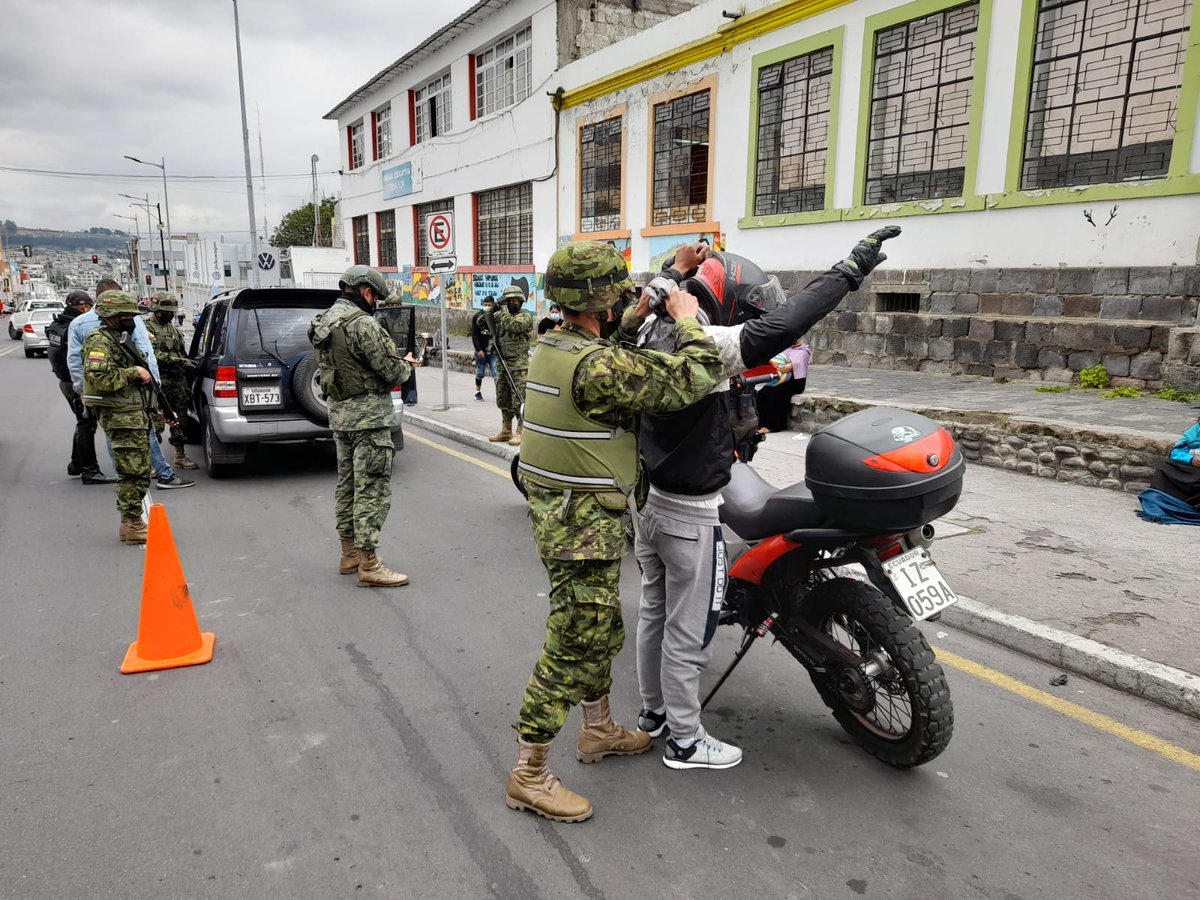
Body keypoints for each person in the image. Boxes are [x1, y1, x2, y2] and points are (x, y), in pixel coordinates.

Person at [626, 228, 900, 771]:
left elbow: (648, 299)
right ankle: (684, 741)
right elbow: (788, 322)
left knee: (655, 613)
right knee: (689, 629)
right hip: (690, 511)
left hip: (648, 500)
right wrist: (849, 271)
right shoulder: (705, 346)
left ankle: (654, 714)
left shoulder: (642, 333)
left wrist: (678, 272)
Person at [506, 241, 723, 824]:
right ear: (601, 303)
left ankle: (598, 729)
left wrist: (670, 277)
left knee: (603, 630)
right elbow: (696, 375)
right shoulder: (598, 367)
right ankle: (529, 772)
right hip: (581, 525)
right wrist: (684, 321)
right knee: (573, 643)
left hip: (566, 517)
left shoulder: (552, 342)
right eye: (617, 296)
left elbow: (616, 339)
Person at [309, 265, 415, 587]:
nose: (377, 303)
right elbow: (392, 372)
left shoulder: (324, 321)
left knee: (348, 485)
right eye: (376, 297)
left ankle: (349, 553)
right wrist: (407, 365)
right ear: (366, 293)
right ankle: (369, 564)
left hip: (340, 416)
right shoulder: (364, 324)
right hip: (369, 419)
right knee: (371, 488)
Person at [68, 279, 194, 490]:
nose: (130, 318)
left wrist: (84, 392)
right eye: (125, 313)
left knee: (128, 434)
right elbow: (147, 358)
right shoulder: (99, 336)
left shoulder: (81, 324)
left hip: (117, 394)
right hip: (124, 392)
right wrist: (150, 383)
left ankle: (140, 474)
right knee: (137, 433)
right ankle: (148, 476)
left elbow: (75, 364)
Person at [80, 291, 159, 544]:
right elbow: (99, 380)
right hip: (121, 415)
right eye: (127, 315)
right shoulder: (99, 342)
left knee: (136, 468)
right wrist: (134, 373)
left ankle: (129, 523)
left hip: (132, 413)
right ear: (111, 316)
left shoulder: (118, 338)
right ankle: (134, 522)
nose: (131, 319)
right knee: (133, 470)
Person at [45, 290, 116, 485]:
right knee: (87, 424)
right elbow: (77, 359)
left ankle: (76, 464)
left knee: (83, 422)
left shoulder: (57, 324)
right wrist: (83, 388)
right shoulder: (75, 325)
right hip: (75, 382)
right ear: (83, 306)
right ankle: (90, 471)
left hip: (64, 380)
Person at [143, 292, 199, 471]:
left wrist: (186, 363)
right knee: (156, 423)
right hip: (158, 382)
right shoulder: (146, 329)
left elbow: (182, 353)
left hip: (177, 382)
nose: (169, 314)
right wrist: (177, 360)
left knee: (180, 420)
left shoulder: (173, 330)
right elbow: (149, 355)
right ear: (157, 310)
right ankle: (154, 462)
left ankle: (180, 457)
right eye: (165, 311)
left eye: (171, 312)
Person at [489, 285, 534, 446]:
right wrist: (494, 307)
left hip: (518, 366)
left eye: (515, 300)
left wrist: (502, 311)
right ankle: (506, 430)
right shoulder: (501, 314)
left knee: (519, 400)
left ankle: (521, 431)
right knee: (503, 398)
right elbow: (481, 321)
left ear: (521, 302)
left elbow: (514, 326)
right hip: (502, 363)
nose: (512, 303)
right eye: (509, 300)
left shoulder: (525, 316)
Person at [1137, 417, 1200, 524]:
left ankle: (1193, 506)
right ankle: (1161, 501)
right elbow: (1175, 452)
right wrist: (1190, 459)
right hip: (1191, 467)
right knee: (1165, 466)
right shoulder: (1195, 430)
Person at [755, 340, 811, 433]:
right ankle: (760, 423)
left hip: (794, 382)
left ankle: (773, 426)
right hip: (780, 379)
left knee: (777, 395)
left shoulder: (803, 351)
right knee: (762, 393)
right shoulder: (786, 350)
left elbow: (787, 368)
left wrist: (777, 368)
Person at [470, 295, 498, 401]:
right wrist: (478, 349)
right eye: (485, 305)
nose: (487, 307)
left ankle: (499, 394)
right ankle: (477, 392)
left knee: (496, 373)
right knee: (480, 372)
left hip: (493, 351)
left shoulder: (495, 317)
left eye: (489, 305)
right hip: (481, 350)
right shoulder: (477, 317)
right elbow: (474, 335)